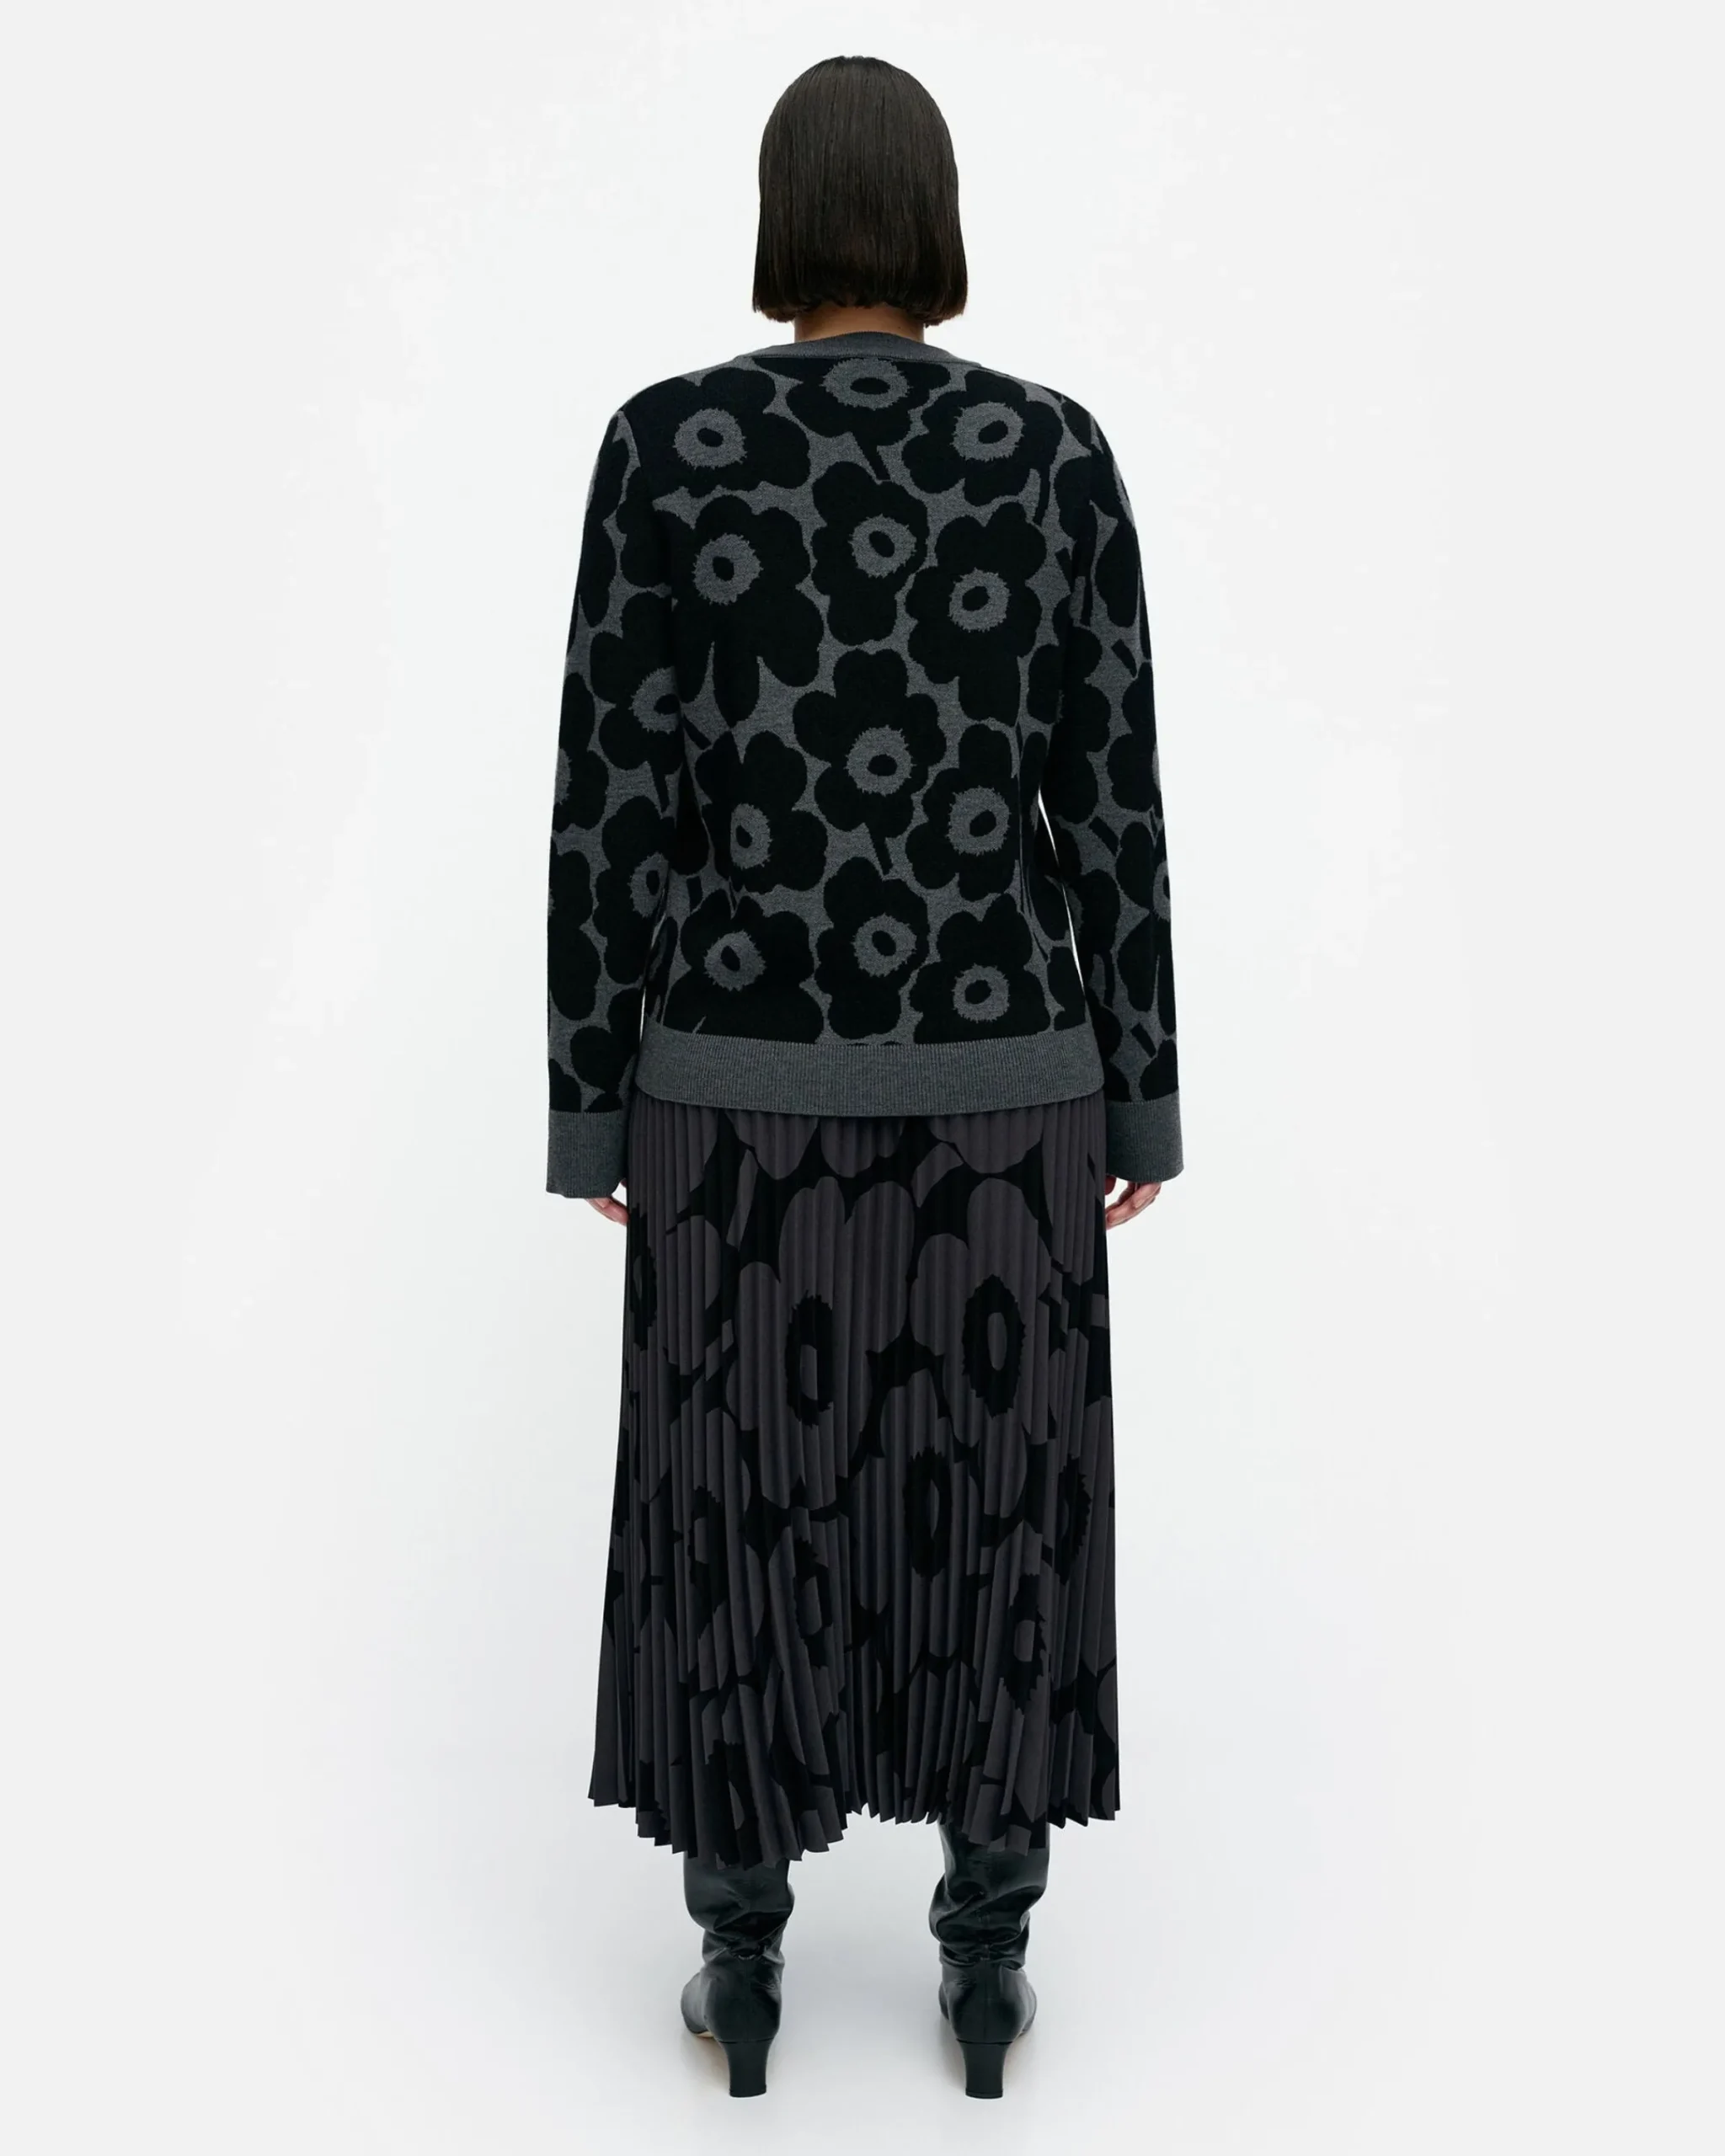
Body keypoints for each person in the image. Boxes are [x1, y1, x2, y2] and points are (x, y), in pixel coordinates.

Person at [544, 53, 1183, 2100]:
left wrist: (589, 1101)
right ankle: (984, 1962)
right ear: (932, 219)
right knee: (999, 1504)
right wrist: (1141, 1094)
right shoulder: (1052, 452)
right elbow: (1108, 797)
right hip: (1008, 1089)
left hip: (730, 1095)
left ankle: (740, 1961)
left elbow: (611, 798)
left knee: (739, 1507)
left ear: (782, 219)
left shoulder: (665, 444)